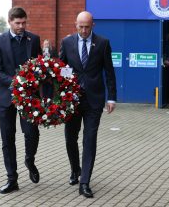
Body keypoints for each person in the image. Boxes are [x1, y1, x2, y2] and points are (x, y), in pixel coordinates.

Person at [59, 11, 117, 198]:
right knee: (70, 138)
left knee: (89, 140)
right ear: (75, 24)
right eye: (80, 26)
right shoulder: (67, 43)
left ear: (93, 25)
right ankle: (75, 170)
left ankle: (84, 182)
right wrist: (62, 94)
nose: (84, 30)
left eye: (87, 26)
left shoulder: (102, 43)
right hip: (72, 100)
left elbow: (109, 71)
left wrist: (111, 97)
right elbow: (62, 69)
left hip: (94, 99)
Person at [0, 6, 42, 194]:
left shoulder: (33, 39)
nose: (21, 26)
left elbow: (37, 67)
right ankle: (12, 179)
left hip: (29, 97)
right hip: (6, 98)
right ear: (10, 22)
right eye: (17, 23)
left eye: (24, 22)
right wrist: (16, 82)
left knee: (32, 134)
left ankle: (30, 160)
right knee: (7, 139)